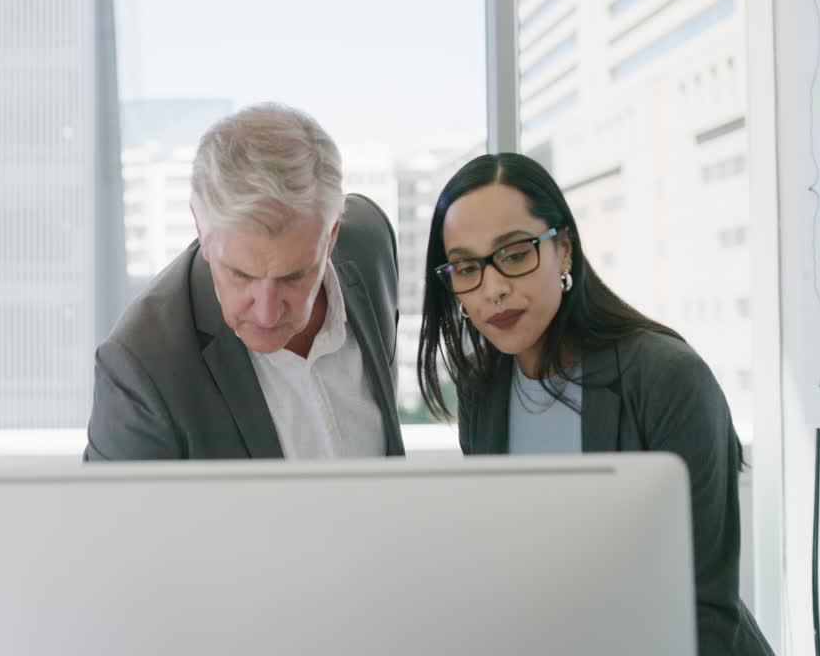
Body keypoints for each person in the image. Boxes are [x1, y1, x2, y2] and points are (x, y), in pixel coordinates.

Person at [416, 152, 773, 655]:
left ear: (563, 250)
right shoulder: (482, 387)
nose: (492, 289)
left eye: (514, 254)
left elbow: (705, 607)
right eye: (467, 267)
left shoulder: (666, 377)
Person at [86, 103, 403, 460]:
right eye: (240, 275)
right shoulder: (139, 369)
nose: (267, 314)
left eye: (294, 276)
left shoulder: (370, 245)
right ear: (201, 230)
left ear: (331, 237)